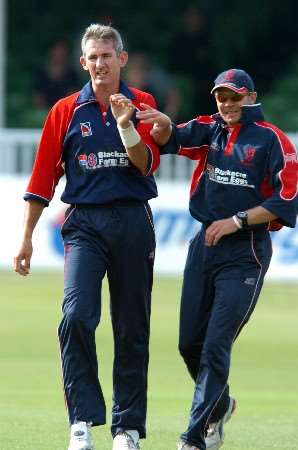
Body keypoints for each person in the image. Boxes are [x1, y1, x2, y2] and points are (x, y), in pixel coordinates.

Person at [13, 24, 161, 450]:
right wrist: (26, 237)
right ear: (83, 63)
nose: (99, 64)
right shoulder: (64, 111)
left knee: (132, 327)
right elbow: (43, 178)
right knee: (76, 317)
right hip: (84, 226)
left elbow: (146, 164)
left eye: (106, 56)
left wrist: (126, 124)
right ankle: (81, 422)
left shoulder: (142, 103)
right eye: (92, 57)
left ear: (122, 60)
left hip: (134, 221)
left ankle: (127, 429)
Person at [135, 68, 298, 450]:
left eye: (234, 97)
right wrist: (160, 124)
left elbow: (286, 201)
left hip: (247, 252)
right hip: (204, 244)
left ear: (251, 97)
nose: (226, 104)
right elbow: (171, 138)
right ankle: (221, 404)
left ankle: (194, 437)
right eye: (221, 97)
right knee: (188, 344)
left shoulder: (273, 140)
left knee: (214, 346)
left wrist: (237, 221)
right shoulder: (210, 128)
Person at [33, 39, 80, 109]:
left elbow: (74, 97)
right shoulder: (40, 74)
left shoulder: (72, 75)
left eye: (62, 51)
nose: (59, 54)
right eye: (56, 50)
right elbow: (37, 98)